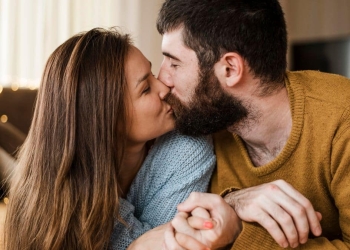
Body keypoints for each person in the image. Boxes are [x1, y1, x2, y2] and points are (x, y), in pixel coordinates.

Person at [152, 0, 350, 249]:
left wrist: (239, 231)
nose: (162, 79)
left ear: (230, 69)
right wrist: (233, 203)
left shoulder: (343, 120)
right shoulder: (205, 125)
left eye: (174, 63)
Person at [4, 27, 216, 250]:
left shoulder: (188, 146)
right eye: (145, 89)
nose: (164, 87)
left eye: (152, 75)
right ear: (106, 119)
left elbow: (168, 243)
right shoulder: (43, 192)